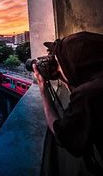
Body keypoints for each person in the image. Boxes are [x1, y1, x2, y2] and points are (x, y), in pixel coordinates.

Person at [33, 31, 103, 174]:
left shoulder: (89, 94)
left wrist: (43, 90)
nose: (56, 71)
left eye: (59, 65)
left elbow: (63, 135)